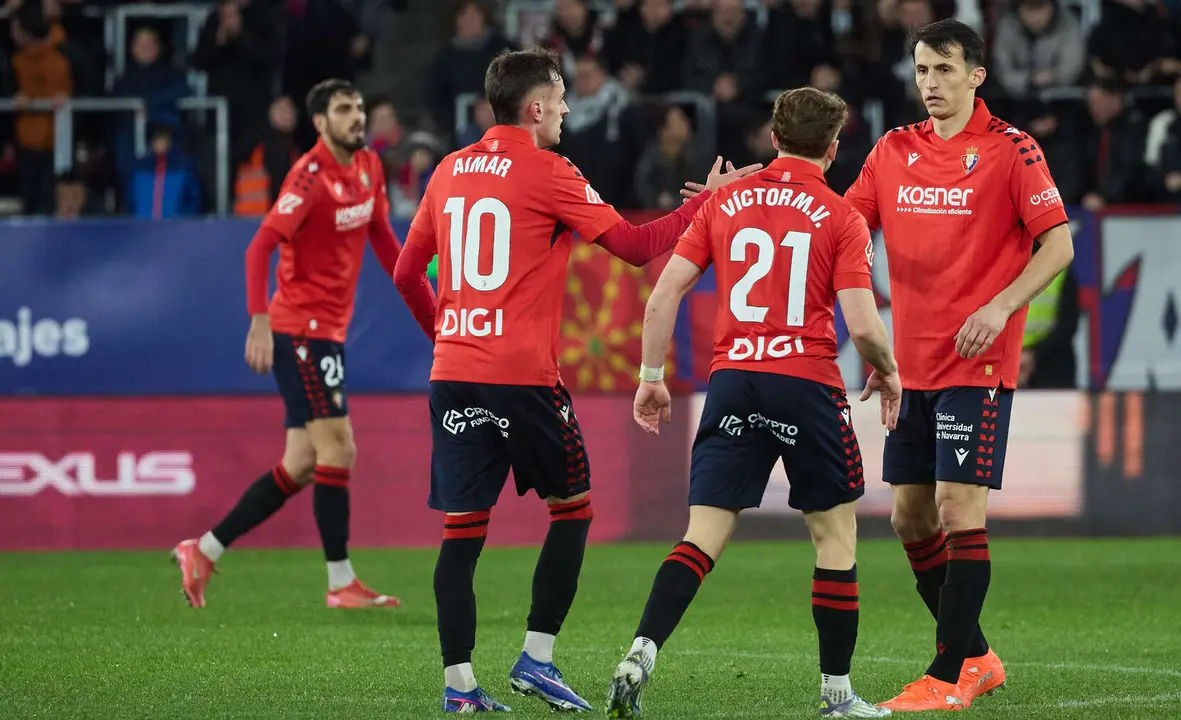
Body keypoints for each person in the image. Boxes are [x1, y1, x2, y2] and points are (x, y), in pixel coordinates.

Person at [392, 47, 759, 714]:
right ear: (534, 109)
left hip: (453, 374)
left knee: (462, 530)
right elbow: (637, 246)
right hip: (522, 378)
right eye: (559, 101)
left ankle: (459, 688)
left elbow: (405, 272)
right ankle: (536, 658)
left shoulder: (448, 170)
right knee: (574, 508)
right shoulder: (549, 170)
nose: (565, 111)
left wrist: (445, 333)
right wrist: (709, 204)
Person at [605, 87, 901, 720]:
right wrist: (888, 372)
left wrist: (650, 377)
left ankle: (641, 649)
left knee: (703, 533)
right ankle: (838, 695)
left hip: (735, 379)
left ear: (772, 137)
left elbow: (663, 296)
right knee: (833, 532)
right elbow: (864, 323)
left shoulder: (725, 201)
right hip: (806, 383)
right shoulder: (842, 216)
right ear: (834, 146)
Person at [843, 19, 1074, 712]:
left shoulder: (1012, 150)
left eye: (944, 69)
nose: (930, 84)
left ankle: (947, 677)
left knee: (956, 509)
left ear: (977, 75)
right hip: (910, 367)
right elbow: (844, 222)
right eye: (921, 71)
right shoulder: (893, 150)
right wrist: (762, 189)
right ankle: (977, 655)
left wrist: (1001, 308)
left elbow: (1057, 246)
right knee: (910, 521)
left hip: (978, 363)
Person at [171, 79, 404, 610]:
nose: (356, 116)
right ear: (320, 122)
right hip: (299, 329)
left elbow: (385, 239)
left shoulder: (369, 166)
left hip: (328, 332)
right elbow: (260, 249)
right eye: (344, 109)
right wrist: (258, 322)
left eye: (360, 106)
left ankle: (202, 550)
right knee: (339, 448)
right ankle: (341, 583)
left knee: (301, 462)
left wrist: (423, 289)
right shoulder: (309, 176)